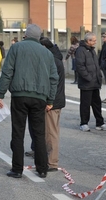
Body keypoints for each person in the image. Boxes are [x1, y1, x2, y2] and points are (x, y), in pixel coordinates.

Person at [0, 24, 58, 179]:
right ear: (39, 37)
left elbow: (7, 71)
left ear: (25, 35)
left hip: (19, 95)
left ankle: (17, 169)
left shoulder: (16, 48)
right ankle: (42, 168)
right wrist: (50, 99)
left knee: (18, 132)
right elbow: (53, 78)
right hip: (40, 98)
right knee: (39, 133)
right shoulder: (47, 53)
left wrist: (0, 92)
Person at [40, 37, 66, 172]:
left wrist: (49, 101)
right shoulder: (56, 58)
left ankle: (52, 162)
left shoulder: (52, 61)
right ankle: (50, 160)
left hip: (52, 102)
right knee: (52, 131)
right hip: (57, 100)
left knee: (51, 133)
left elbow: (51, 83)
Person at [76, 32, 106, 132]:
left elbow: (96, 65)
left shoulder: (92, 51)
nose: (95, 42)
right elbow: (80, 66)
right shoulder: (81, 50)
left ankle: (100, 123)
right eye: (94, 40)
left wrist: (98, 77)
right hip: (86, 83)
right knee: (85, 104)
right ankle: (84, 123)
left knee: (97, 104)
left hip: (95, 82)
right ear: (88, 40)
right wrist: (88, 77)